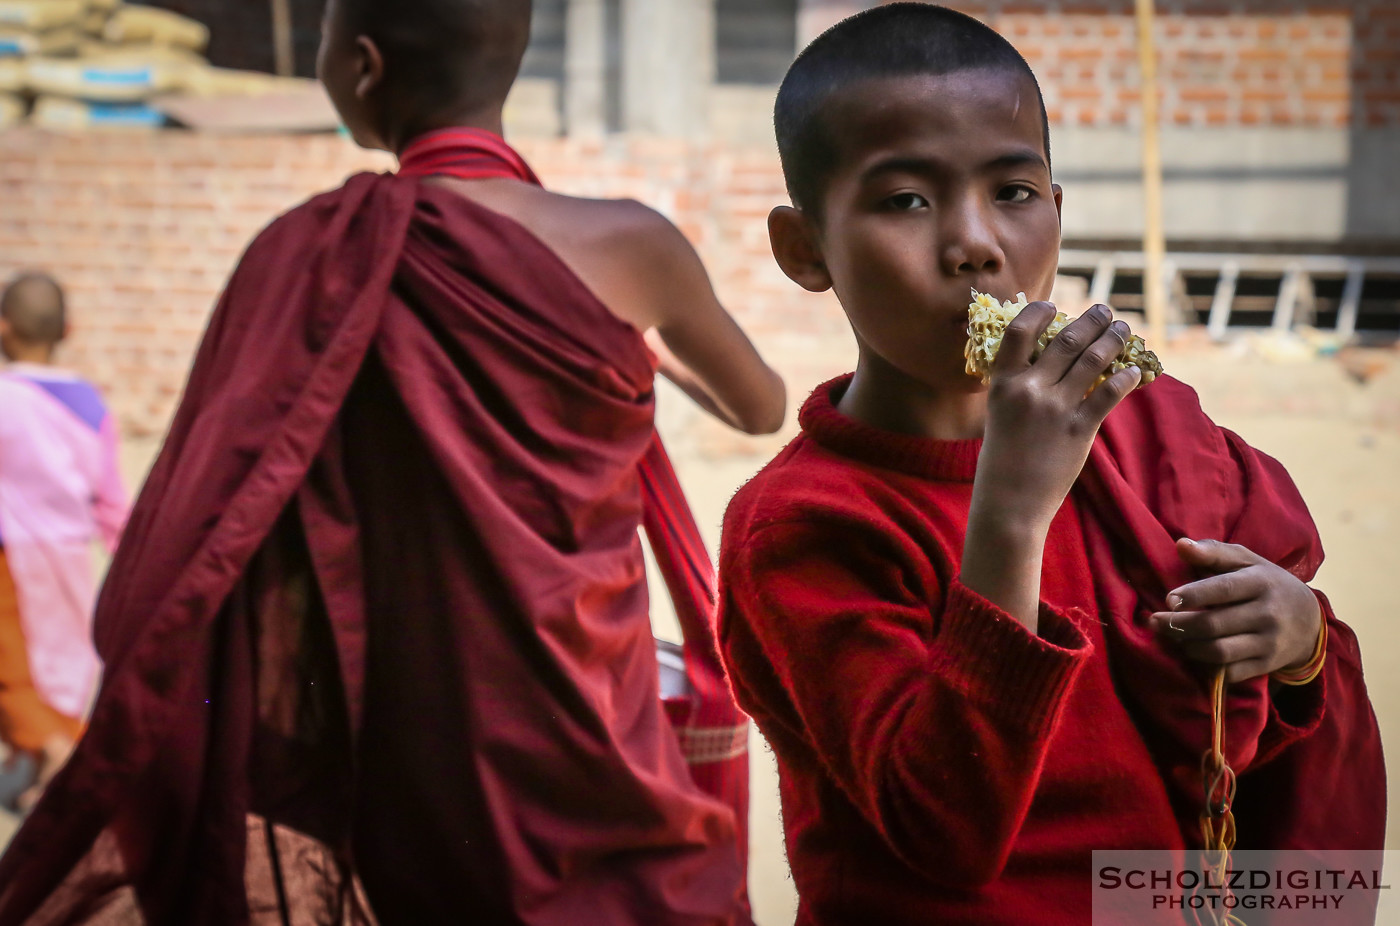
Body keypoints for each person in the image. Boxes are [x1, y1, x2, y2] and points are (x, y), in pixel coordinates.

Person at [0, 0, 783, 923]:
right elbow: (761, 405)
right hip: (592, 706)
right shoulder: (630, 243)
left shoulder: (312, 256)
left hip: (414, 730)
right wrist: (646, 359)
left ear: (361, 68)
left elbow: (187, 544)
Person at [716, 5, 1384, 924]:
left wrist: (1300, 642)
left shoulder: (1147, 434)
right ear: (805, 249)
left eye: (1015, 193)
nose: (977, 245)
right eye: (905, 200)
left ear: (1059, 215)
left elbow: (1252, 722)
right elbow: (943, 826)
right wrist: (1012, 516)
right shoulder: (801, 524)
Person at [0, 273, 127, 811]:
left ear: (3, 329)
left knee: (16, 665)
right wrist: (128, 559)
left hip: (12, 558)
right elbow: (113, 500)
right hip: (72, 558)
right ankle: (41, 758)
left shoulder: (5, 398)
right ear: (68, 330)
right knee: (64, 656)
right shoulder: (90, 404)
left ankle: (51, 755)